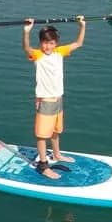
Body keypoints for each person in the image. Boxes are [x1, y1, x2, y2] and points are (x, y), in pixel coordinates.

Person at [22, 16, 87, 179]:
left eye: (51, 43)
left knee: (56, 131)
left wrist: (82, 26)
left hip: (58, 99)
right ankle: (43, 166)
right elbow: (27, 48)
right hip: (45, 101)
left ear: (56, 43)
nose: (47, 46)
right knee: (42, 135)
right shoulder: (37, 55)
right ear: (41, 43)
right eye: (45, 42)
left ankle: (57, 154)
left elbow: (79, 43)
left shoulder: (60, 52)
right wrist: (26, 32)